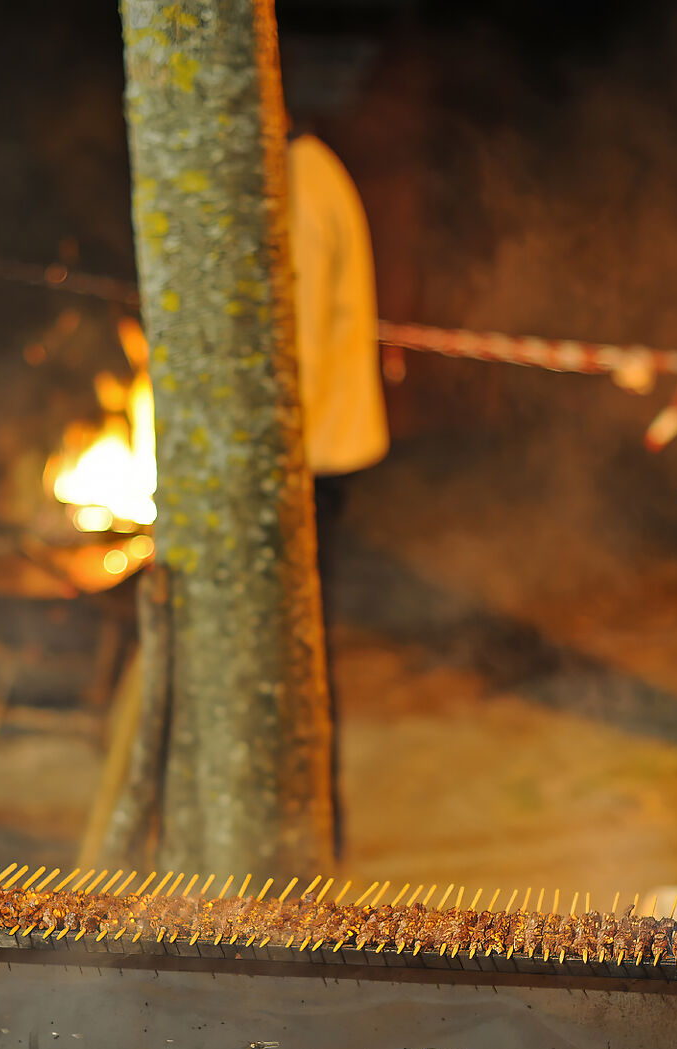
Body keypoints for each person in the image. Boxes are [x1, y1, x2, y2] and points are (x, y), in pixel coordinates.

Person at [287, 125, 387, 855]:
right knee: (307, 643)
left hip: (309, 456)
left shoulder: (294, 182)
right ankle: (323, 820)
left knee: (301, 649)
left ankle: (320, 824)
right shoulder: (316, 167)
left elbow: (298, 342)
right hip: (326, 448)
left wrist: (275, 459)